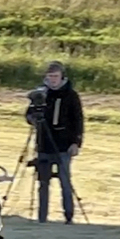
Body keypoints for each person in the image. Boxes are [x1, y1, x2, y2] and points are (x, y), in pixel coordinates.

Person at [25, 60, 84, 224]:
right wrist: (33, 119)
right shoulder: (41, 94)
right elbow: (29, 115)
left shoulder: (71, 95)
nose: (52, 80)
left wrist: (76, 143)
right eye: (50, 76)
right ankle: (42, 217)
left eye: (55, 76)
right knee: (43, 183)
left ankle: (69, 216)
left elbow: (78, 120)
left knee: (65, 183)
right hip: (44, 145)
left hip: (64, 146)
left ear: (62, 77)